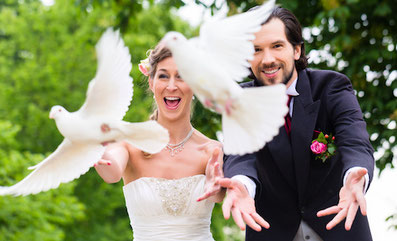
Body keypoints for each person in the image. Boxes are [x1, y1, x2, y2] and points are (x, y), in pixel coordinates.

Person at [217, 6, 374, 241]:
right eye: (256, 50)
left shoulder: (332, 86)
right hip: (271, 231)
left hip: (339, 226)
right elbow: (240, 155)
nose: (267, 59)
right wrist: (240, 185)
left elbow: (355, 141)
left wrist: (355, 177)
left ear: (297, 50)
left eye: (277, 46)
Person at [94, 43, 225, 241]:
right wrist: (96, 149)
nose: (172, 86)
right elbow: (110, 172)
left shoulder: (212, 150)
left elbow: (220, 195)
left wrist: (218, 188)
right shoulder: (128, 144)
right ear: (151, 81)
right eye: (163, 76)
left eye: (181, 76)